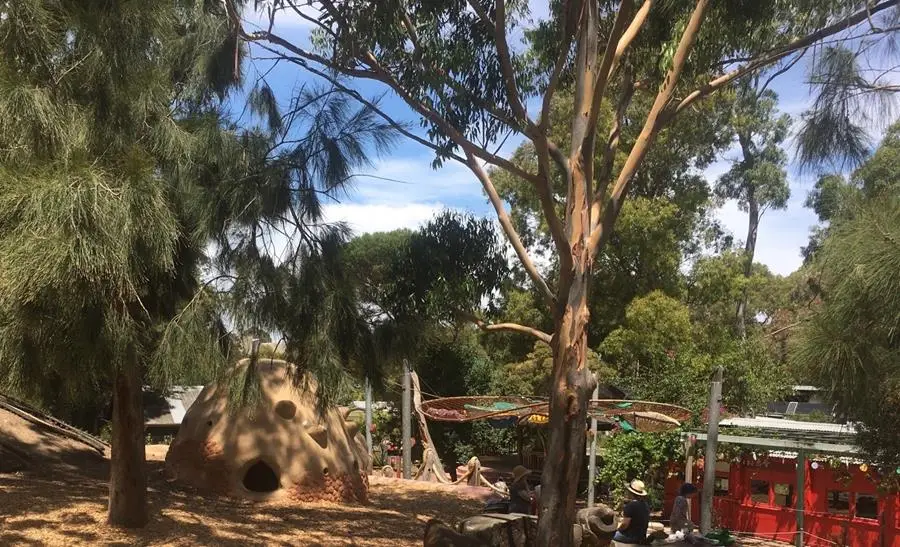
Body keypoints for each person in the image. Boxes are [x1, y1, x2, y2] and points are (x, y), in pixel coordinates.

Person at [613, 479, 650, 545]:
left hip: (630, 537)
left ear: (631, 492)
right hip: (641, 536)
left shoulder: (630, 506)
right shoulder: (645, 504)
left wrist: (618, 529)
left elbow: (625, 525)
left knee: (608, 535)